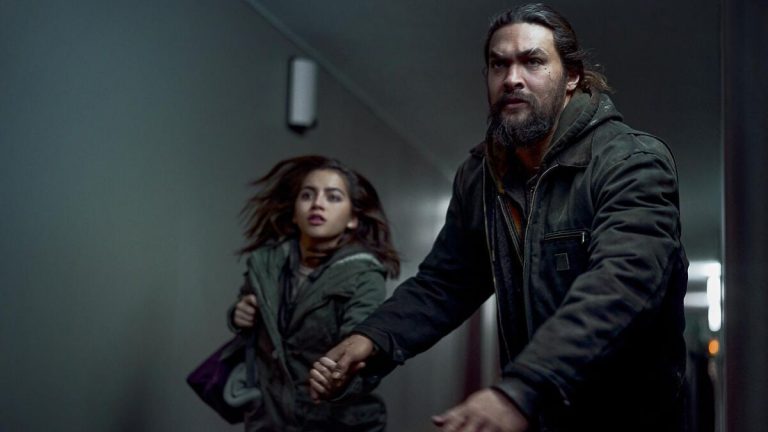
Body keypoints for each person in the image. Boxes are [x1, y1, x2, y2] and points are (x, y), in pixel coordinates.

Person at [309, 4, 688, 432]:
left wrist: (521, 390)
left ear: (572, 77)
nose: (511, 78)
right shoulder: (481, 176)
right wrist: (372, 339)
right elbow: (446, 283)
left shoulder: (630, 162)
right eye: (498, 64)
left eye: (532, 62)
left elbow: (623, 285)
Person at [228, 155, 400, 432]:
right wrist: (238, 314)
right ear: (294, 214)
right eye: (307, 195)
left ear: (352, 219)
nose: (317, 204)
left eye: (333, 197)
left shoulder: (364, 274)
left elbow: (361, 349)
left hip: (333, 422)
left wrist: (339, 379)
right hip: (268, 417)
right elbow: (251, 318)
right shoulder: (265, 262)